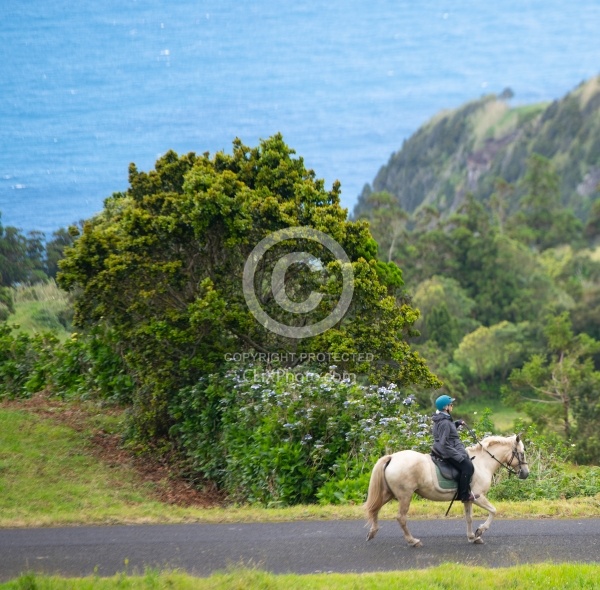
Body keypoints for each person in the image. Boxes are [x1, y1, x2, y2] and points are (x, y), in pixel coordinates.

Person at [431, 395, 478, 503]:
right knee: (468, 466)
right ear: (445, 407)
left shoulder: (443, 419)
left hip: (445, 448)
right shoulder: (445, 422)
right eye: (451, 404)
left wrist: (456, 423)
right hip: (445, 451)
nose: (452, 406)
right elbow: (444, 443)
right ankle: (464, 495)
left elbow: (448, 432)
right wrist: (458, 456)